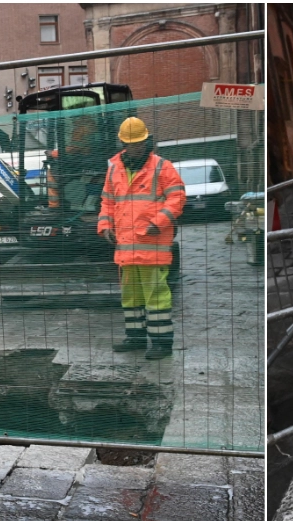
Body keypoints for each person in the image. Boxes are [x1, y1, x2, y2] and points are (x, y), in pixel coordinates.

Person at [98, 117, 186, 360]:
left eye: (137, 143)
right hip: (126, 249)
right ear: (122, 143)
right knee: (131, 296)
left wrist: (158, 223)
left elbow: (177, 198)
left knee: (156, 296)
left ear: (147, 141)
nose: (133, 148)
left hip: (153, 247)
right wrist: (105, 225)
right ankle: (135, 337)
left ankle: (161, 343)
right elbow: (107, 201)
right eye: (129, 144)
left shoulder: (161, 167)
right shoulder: (114, 168)